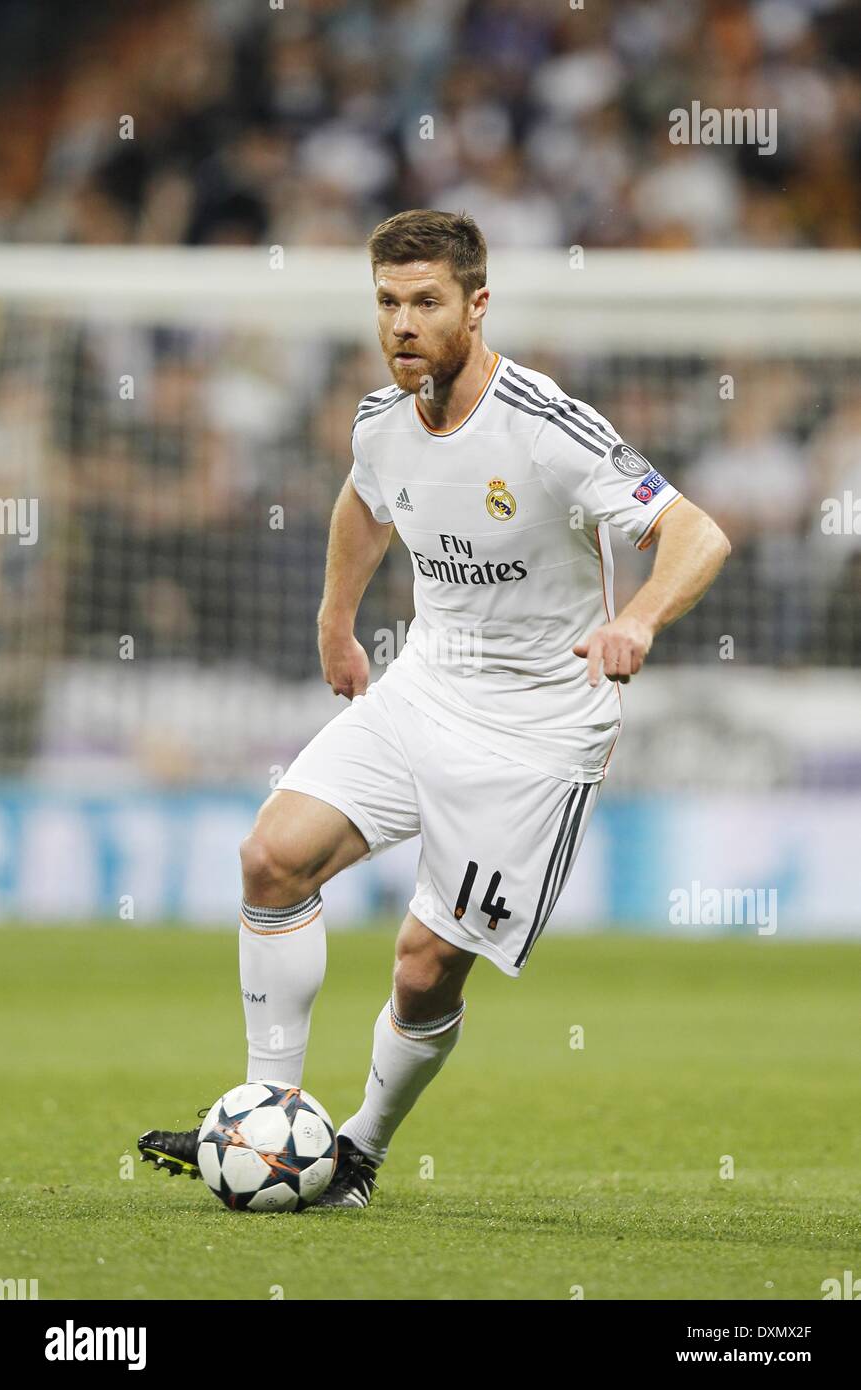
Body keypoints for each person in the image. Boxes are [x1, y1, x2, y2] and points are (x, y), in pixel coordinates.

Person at [138, 209, 730, 1207]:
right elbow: (366, 500)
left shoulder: (543, 424)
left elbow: (696, 532)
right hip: (421, 685)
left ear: (475, 304)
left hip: (537, 734)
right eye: (386, 303)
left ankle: (356, 1149)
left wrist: (636, 619)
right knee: (271, 857)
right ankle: (268, 1111)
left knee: (421, 971)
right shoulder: (380, 419)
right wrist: (335, 620)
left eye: (424, 302)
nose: (402, 324)